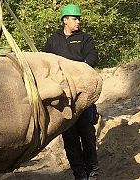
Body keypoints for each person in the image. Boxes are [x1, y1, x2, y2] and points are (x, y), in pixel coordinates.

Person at [43, 4, 99, 180]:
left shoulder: (85, 39)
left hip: (83, 96)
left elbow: (92, 59)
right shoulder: (53, 41)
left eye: (78, 18)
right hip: (63, 99)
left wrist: (71, 68)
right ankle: (79, 173)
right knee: (70, 138)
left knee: (88, 135)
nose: (78, 21)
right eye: (75, 18)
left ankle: (93, 171)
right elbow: (45, 64)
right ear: (65, 20)